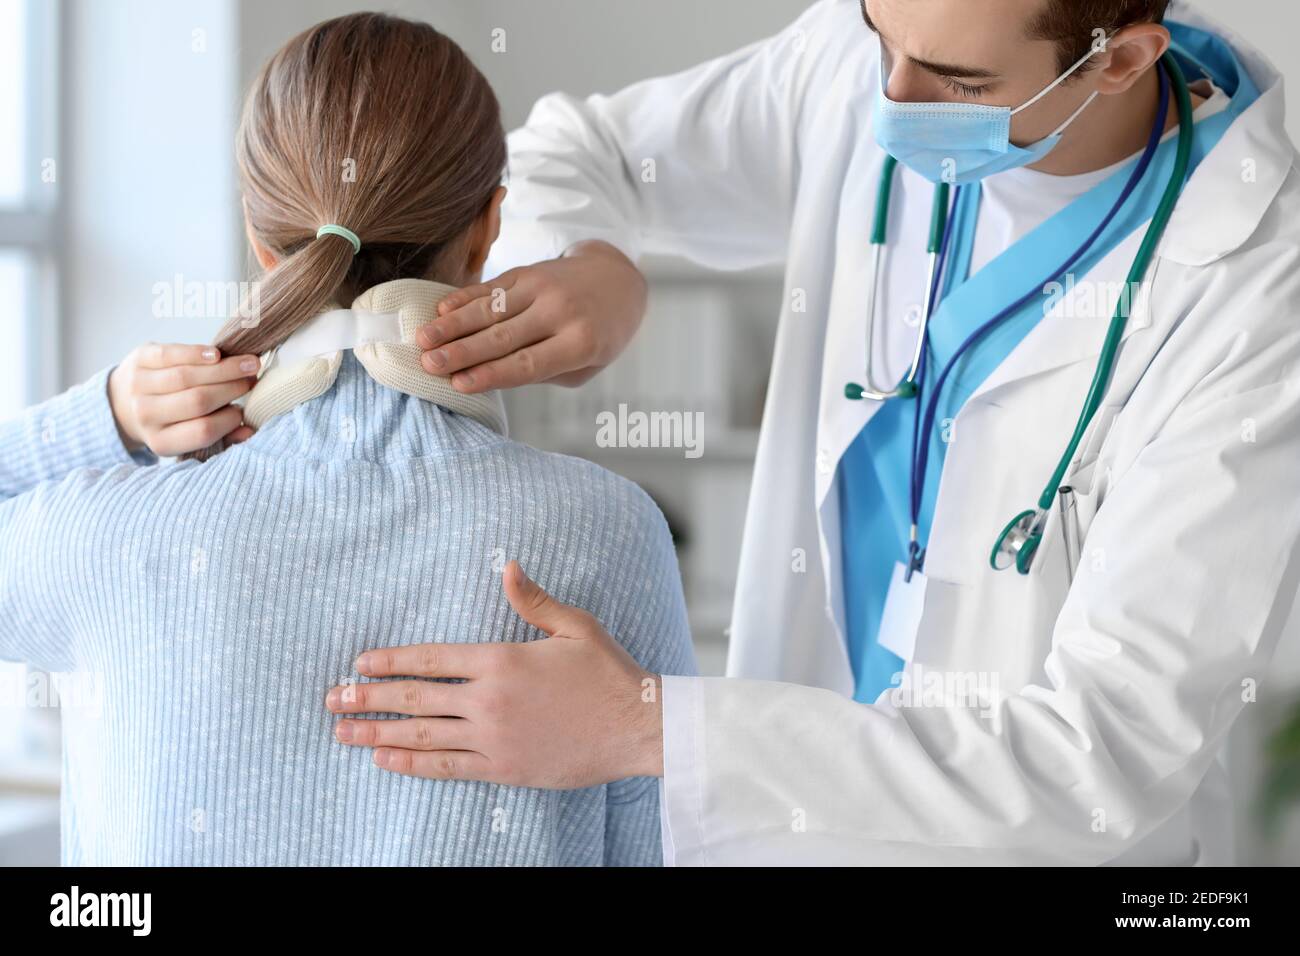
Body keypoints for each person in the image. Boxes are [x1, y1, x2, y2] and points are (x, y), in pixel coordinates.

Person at [321, 0, 1300, 865]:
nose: (888, 101)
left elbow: (1105, 750)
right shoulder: (860, 60)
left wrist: (649, 726)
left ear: (1118, 62)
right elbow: (581, 149)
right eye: (882, 35)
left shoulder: (1253, 292)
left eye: (956, 82)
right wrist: (589, 265)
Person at [0, 12, 693, 865]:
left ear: (260, 239)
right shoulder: (607, 533)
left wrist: (103, 414)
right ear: (488, 229)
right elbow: (659, 843)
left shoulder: (99, 539)